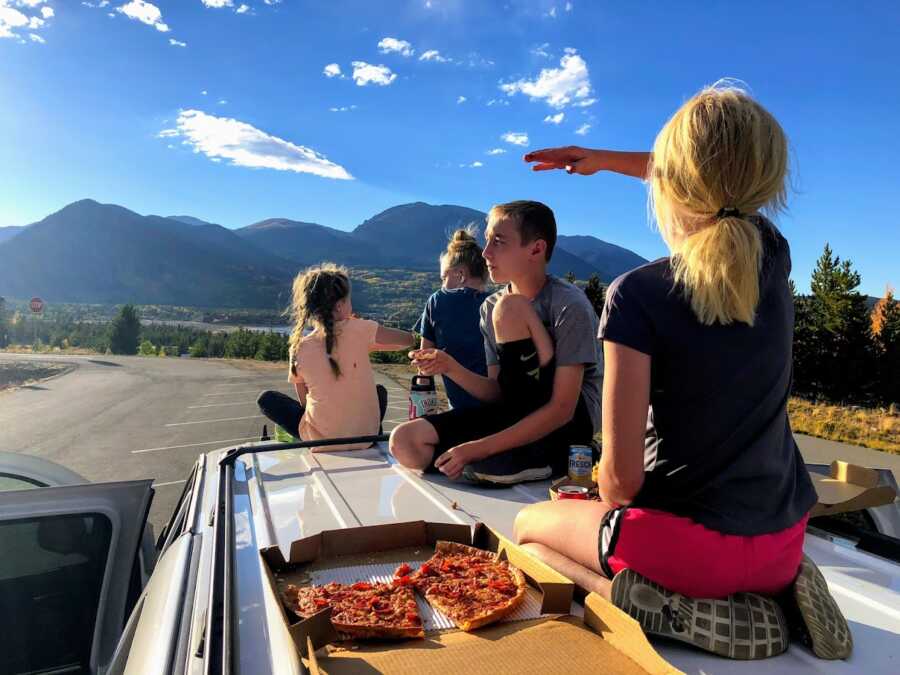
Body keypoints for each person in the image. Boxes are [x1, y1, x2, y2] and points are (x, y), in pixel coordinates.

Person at [514, 84, 850, 660]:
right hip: (782, 544)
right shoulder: (773, 255)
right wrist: (607, 161)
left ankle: (678, 612)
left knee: (528, 529)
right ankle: (776, 598)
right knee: (581, 524)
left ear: (672, 182)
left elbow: (620, 484)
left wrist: (589, 503)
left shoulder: (637, 295)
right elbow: (724, 190)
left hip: (683, 552)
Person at [390, 200, 603, 485]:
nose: (486, 252)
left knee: (511, 308)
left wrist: (478, 447)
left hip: (567, 420)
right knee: (404, 442)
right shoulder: (489, 307)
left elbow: (562, 408)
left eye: (499, 241)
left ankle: (542, 456)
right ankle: (510, 456)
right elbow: (500, 394)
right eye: (487, 240)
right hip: (513, 413)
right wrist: (450, 367)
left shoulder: (568, 304)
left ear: (536, 249)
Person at [257, 263, 414, 451]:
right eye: (349, 300)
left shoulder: (298, 347)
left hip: (320, 442)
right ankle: (362, 429)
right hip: (366, 437)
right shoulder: (362, 329)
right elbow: (407, 340)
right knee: (379, 391)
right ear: (340, 306)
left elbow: (304, 401)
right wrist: (363, 329)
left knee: (266, 399)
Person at [413, 227, 492, 410]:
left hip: (458, 409)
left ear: (460, 275)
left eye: (443, 278)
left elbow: (424, 363)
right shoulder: (496, 304)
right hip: (498, 409)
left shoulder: (437, 301)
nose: (442, 285)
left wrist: (421, 409)